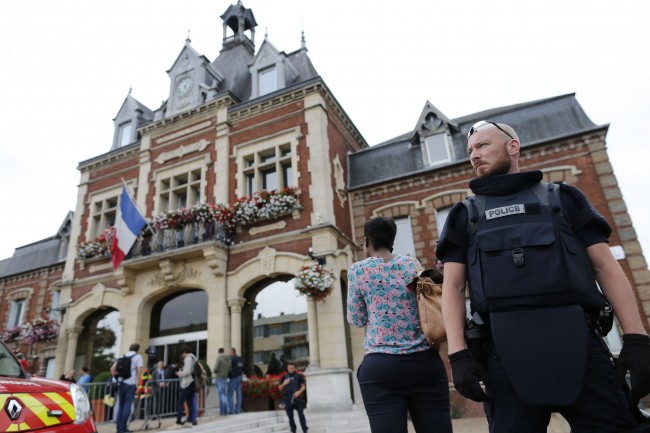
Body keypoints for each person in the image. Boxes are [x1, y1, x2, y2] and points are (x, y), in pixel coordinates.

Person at [436, 120, 650, 432]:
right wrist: (458, 356)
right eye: (470, 150)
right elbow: (453, 287)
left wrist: (636, 339)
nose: (474, 155)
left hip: (580, 346)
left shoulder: (563, 199)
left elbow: (606, 267)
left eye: (482, 145)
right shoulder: (463, 215)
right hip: (502, 355)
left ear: (513, 146)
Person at [347, 216, 452, 433]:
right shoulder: (411, 263)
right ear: (392, 240)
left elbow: (356, 319)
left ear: (367, 241)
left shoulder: (358, 270)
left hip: (381, 367)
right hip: (424, 363)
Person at [110, 343, 143, 433]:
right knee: (127, 405)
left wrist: (116, 378)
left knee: (120, 406)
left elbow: (112, 369)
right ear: (137, 349)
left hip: (121, 383)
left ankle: (118, 427)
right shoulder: (138, 357)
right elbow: (139, 371)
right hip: (131, 383)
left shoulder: (123, 356)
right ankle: (123, 428)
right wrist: (138, 384)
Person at [167, 345, 197, 430]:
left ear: (184, 352)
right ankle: (189, 421)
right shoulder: (194, 358)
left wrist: (180, 373)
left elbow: (187, 371)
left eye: (182, 354)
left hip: (187, 383)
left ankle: (178, 422)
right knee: (190, 403)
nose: (181, 356)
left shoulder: (188, 358)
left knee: (180, 403)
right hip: (192, 382)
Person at [278, 362, 308, 433]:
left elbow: (303, 386)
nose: (290, 369)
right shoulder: (284, 377)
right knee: (290, 416)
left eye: (292, 368)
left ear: (294, 368)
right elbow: (280, 388)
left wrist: (299, 392)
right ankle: (293, 430)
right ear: (287, 368)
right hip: (287, 398)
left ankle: (304, 429)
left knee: (301, 415)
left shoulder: (299, 376)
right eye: (289, 368)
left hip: (297, 398)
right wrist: (283, 384)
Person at [213, 347, 231, 416]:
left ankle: (223, 411)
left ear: (219, 352)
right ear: (224, 351)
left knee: (221, 395)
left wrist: (215, 371)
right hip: (225, 378)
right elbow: (230, 369)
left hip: (219, 377)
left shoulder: (219, 358)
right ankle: (224, 411)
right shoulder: (228, 359)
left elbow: (215, 368)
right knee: (224, 394)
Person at [227, 347, 244, 415]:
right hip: (240, 377)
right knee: (239, 395)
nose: (228, 353)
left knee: (229, 394)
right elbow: (243, 366)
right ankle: (238, 410)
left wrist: (228, 374)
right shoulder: (240, 359)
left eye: (229, 352)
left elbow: (228, 367)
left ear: (232, 352)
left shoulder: (232, 359)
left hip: (234, 378)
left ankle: (232, 411)